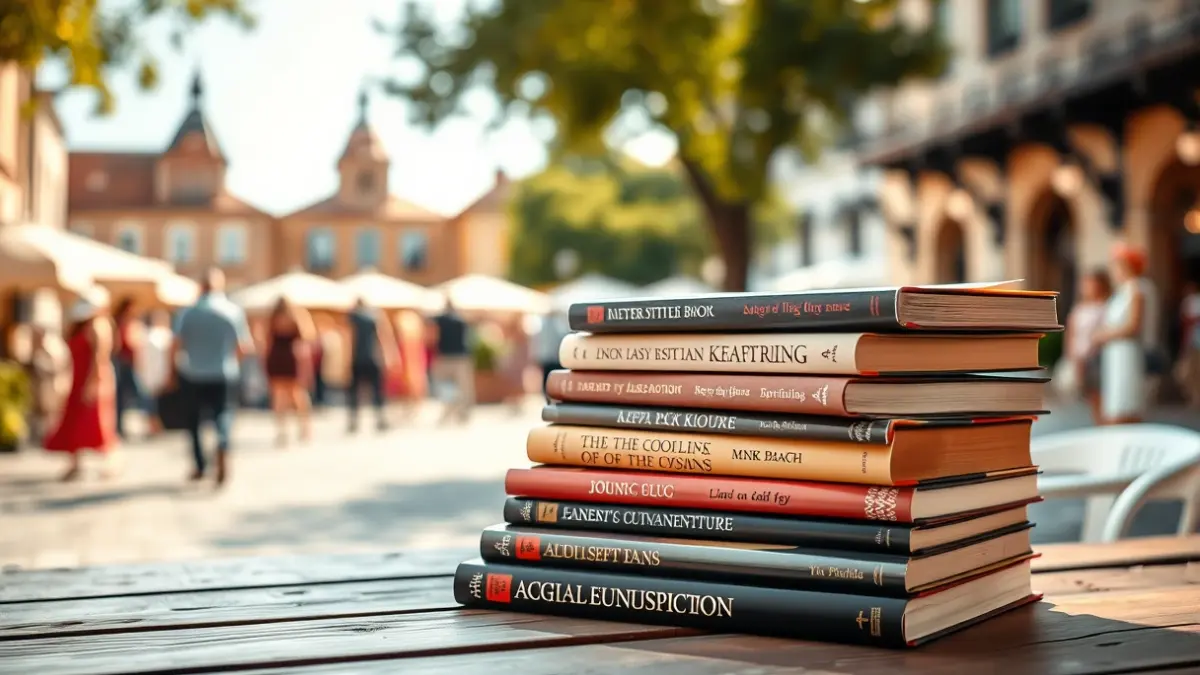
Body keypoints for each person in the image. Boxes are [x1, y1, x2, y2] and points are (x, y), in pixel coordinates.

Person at [169, 268, 254, 486]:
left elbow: (175, 345)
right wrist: (231, 361)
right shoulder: (233, 311)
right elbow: (244, 348)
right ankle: (223, 443)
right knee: (223, 415)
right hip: (224, 372)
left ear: (201, 287)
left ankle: (200, 465)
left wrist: (172, 371)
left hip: (193, 373)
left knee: (194, 421)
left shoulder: (187, 313)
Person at [43, 290, 118, 481]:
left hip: (92, 380)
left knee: (96, 422)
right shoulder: (81, 326)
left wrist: (93, 383)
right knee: (75, 420)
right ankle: (75, 463)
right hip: (78, 379)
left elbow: (99, 358)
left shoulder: (99, 325)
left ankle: (111, 461)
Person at [1090, 242, 1150, 425]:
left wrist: (1104, 335)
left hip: (1126, 353)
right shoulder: (1122, 291)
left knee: (1126, 402)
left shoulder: (1137, 290)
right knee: (1114, 402)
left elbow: (1133, 326)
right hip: (1115, 353)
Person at [264, 297, 316, 446]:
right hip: (291, 358)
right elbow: (307, 338)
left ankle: (282, 430)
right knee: (298, 394)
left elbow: (267, 342)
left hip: (276, 358)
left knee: (279, 396)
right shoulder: (297, 316)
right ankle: (305, 427)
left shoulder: (273, 318)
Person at [1060, 269, 1111, 422]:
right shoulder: (1079, 308)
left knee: (1101, 393)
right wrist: (1071, 356)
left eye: (1090, 283)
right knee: (1092, 396)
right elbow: (1071, 333)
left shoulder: (1105, 306)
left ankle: (1105, 423)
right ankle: (1099, 423)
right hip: (1081, 357)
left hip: (1098, 356)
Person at [346, 296, 400, 433]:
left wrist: (346, 360)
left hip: (357, 358)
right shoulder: (374, 317)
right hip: (373, 358)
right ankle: (380, 419)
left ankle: (353, 422)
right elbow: (382, 338)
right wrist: (387, 357)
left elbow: (349, 338)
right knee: (377, 391)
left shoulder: (352, 317)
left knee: (354, 392)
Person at [432, 296, 474, 424]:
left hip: (445, 357)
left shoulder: (440, 320)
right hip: (461, 357)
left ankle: (449, 411)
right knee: (463, 387)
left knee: (446, 386)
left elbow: (433, 336)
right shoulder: (461, 320)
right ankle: (463, 413)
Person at [112, 297, 148, 440]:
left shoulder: (132, 323)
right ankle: (119, 426)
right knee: (123, 396)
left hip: (129, 363)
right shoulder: (119, 323)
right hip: (122, 363)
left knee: (136, 393)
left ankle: (149, 422)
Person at [137, 309, 175, 435]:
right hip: (156, 372)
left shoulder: (149, 336)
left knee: (152, 401)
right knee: (153, 402)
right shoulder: (161, 336)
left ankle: (155, 425)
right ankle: (155, 425)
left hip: (152, 373)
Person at [1175, 280, 1200, 408]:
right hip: (1192, 342)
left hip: (1195, 342)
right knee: (1188, 373)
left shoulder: (1194, 301)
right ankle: (1194, 398)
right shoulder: (1188, 302)